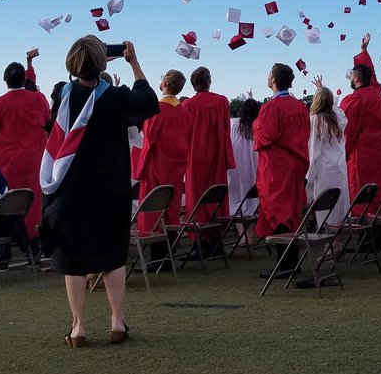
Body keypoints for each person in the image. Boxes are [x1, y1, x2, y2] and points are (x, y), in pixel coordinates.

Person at [39, 37, 158, 347]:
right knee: (112, 255)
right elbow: (147, 98)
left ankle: (78, 328)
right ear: (103, 63)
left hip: (70, 187)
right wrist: (133, 62)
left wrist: (88, 64)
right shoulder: (115, 97)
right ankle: (117, 322)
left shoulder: (62, 95)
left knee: (74, 259)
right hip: (109, 187)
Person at [0, 60, 51, 261]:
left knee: (5, 205)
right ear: (24, 79)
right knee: (33, 204)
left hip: (6, 163)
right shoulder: (38, 100)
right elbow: (47, 120)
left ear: (5, 80)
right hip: (35, 161)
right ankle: (33, 250)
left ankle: (2, 256)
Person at [254, 63, 311, 279]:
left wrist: (256, 125)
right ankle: (291, 263)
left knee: (279, 213)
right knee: (291, 211)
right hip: (296, 165)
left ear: (274, 80)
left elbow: (266, 136)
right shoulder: (300, 106)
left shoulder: (271, 107)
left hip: (277, 168)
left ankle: (286, 265)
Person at [183, 66, 235, 254]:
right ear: (209, 81)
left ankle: (201, 244)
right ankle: (216, 241)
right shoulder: (221, 101)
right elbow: (225, 129)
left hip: (195, 157)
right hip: (217, 156)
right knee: (216, 197)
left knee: (196, 198)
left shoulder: (188, 105)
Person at [136, 70, 192, 235]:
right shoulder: (185, 113)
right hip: (176, 169)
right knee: (171, 207)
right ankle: (171, 245)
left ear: (165, 83)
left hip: (156, 167)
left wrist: (140, 169)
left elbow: (148, 141)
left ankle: (156, 248)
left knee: (153, 210)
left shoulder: (156, 110)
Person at [340, 34, 381, 206]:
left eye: (352, 76)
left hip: (361, 154)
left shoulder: (356, 99)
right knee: (379, 188)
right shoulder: (377, 96)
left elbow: (348, 130)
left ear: (356, 79)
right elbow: (372, 79)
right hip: (380, 151)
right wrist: (363, 51)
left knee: (361, 194)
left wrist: (343, 153)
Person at [307, 80, 349, 226]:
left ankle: (328, 235)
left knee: (325, 207)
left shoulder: (314, 120)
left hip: (323, 168)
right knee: (339, 202)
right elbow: (336, 109)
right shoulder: (338, 117)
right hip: (339, 166)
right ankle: (339, 235)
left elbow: (312, 148)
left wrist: (308, 176)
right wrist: (322, 90)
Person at [227, 98, 261, 218]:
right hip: (254, 165)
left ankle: (241, 227)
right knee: (251, 196)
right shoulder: (259, 125)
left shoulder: (233, 124)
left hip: (237, 165)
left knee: (236, 198)